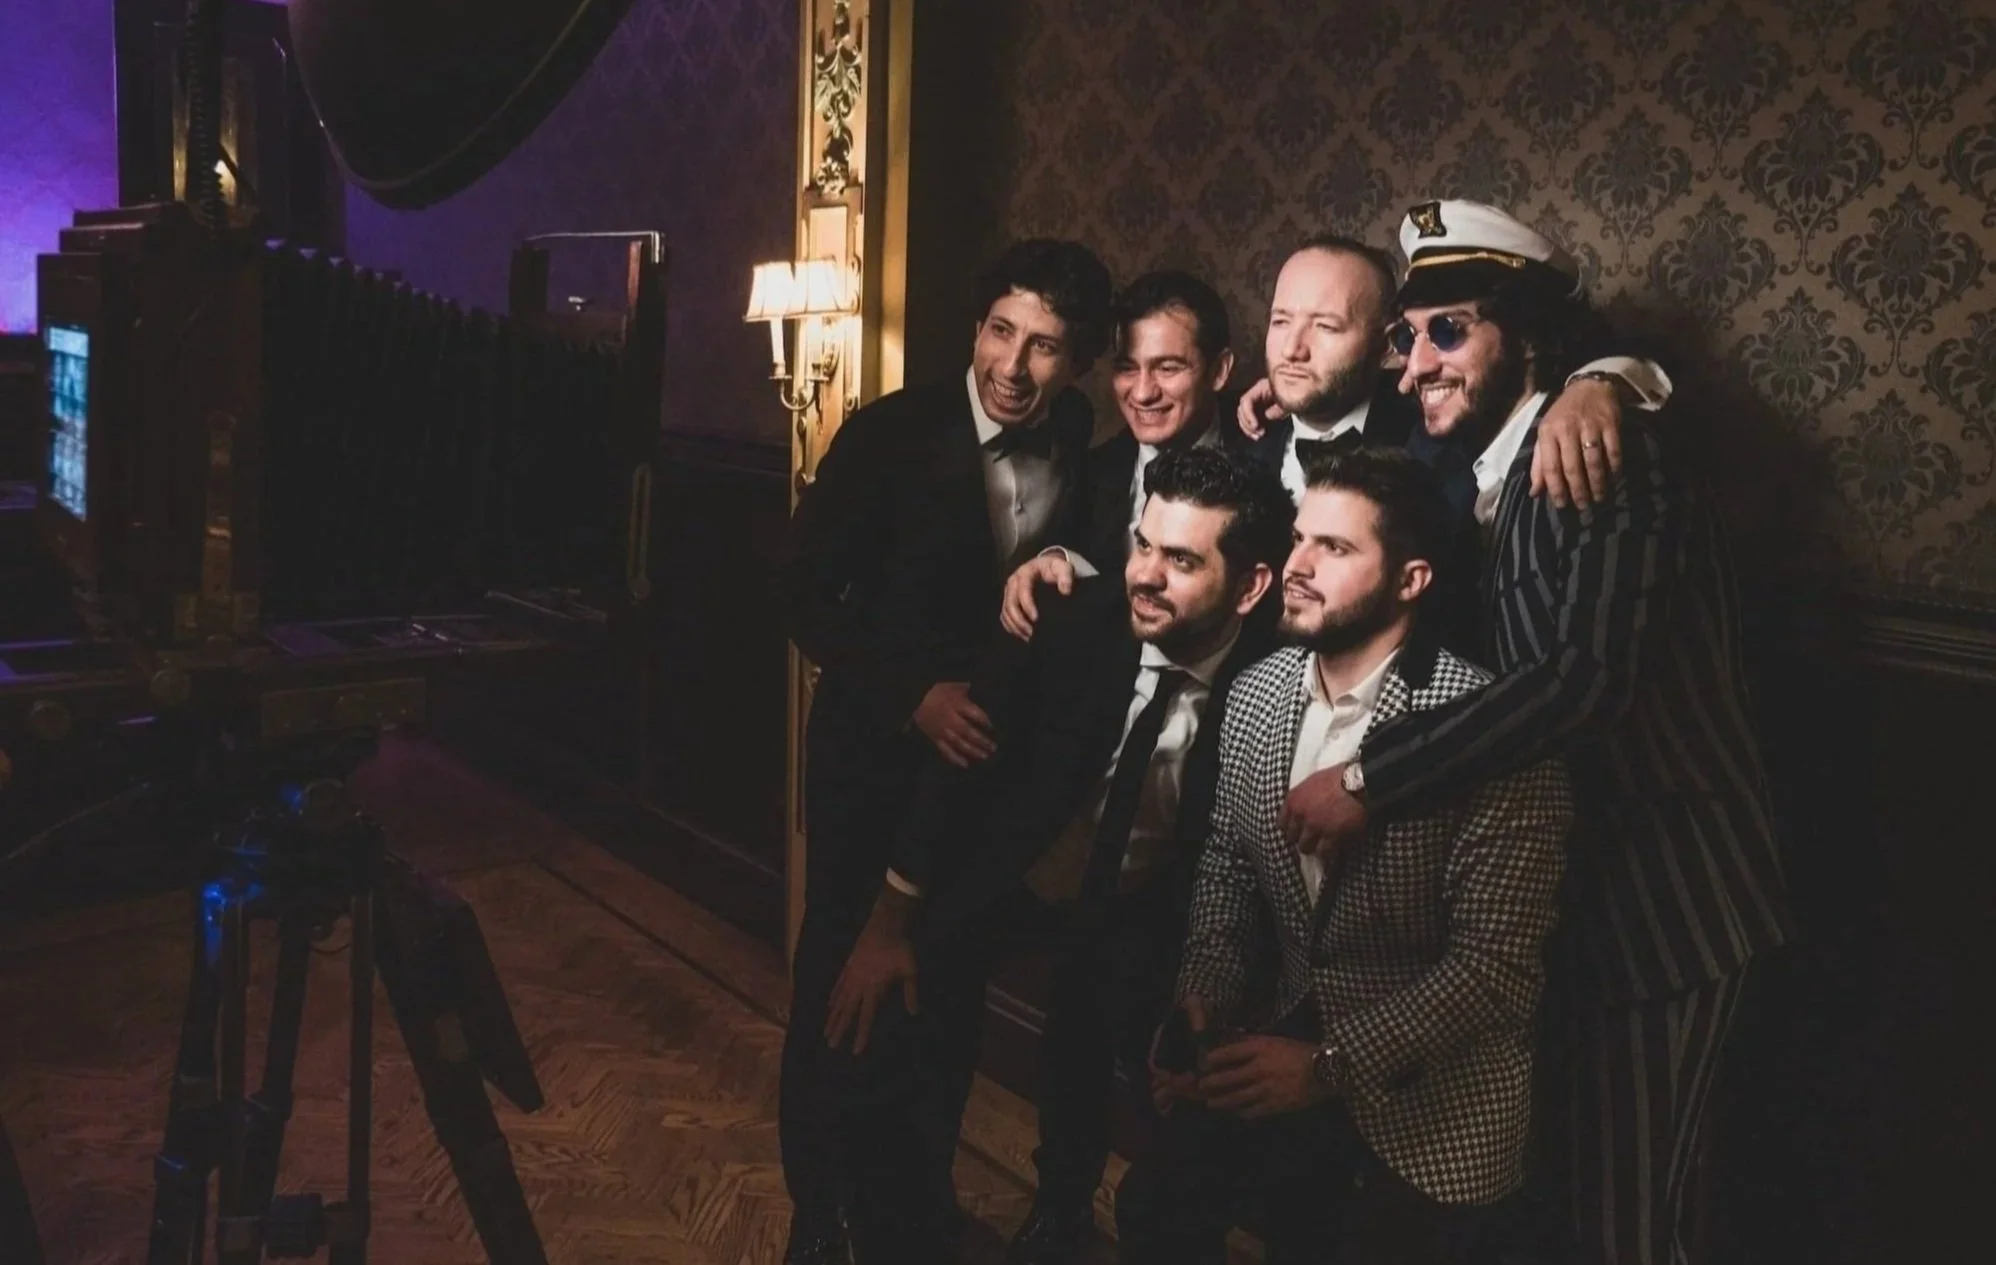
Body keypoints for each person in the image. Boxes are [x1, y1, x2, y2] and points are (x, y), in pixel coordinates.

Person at [1277, 200, 1793, 1265]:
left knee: (1629, 1221)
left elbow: (1582, 683)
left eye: (1449, 329)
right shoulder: (1475, 461)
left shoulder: (1605, 452)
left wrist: (1369, 777)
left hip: (1666, 907)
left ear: (1529, 337)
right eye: (1404, 337)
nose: (1417, 362)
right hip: (1561, 900)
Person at [822, 448, 1292, 1265]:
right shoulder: (1069, 623)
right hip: (1014, 870)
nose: (1146, 573)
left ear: (1250, 587)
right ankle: (892, 1226)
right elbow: (954, 772)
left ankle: (1063, 1211)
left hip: (1151, 903)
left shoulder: (1273, 683)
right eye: (1144, 543)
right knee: (895, 1015)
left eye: (1180, 560)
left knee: (1141, 1064)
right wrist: (889, 918)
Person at [1115, 446, 1574, 1264]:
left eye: (1336, 548)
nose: (1298, 565)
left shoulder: (1485, 730)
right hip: (1283, 1043)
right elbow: (1227, 869)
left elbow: (1496, 972)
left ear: (1412, 580)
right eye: (1299, 539)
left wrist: (1324, 1068)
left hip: (1437, 1110)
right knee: (1152, 1205)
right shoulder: (1257, 692)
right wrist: (1202, 1005)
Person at [776, 238, 1113, 1265]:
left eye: (1045, 345)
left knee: (945, 995)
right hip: (870, 763)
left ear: (1080, 360)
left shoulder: (1082, 433)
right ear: (975, 327)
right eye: (1000, 331)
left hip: (983, 784)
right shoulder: (888, 433)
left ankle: (915, 1200)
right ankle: (817, 1211)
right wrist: (911, 694)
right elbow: (795, 593)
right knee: (836, 989)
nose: (1012, 366)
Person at [1003, 235, 1670, 650]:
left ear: (1386, 346)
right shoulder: (1234, 441)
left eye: (1324, 325)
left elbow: (1544, 358)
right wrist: (1061, 561)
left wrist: (1598, 379)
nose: (1292, 349)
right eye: (1281, 320)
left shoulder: (1439, 439)